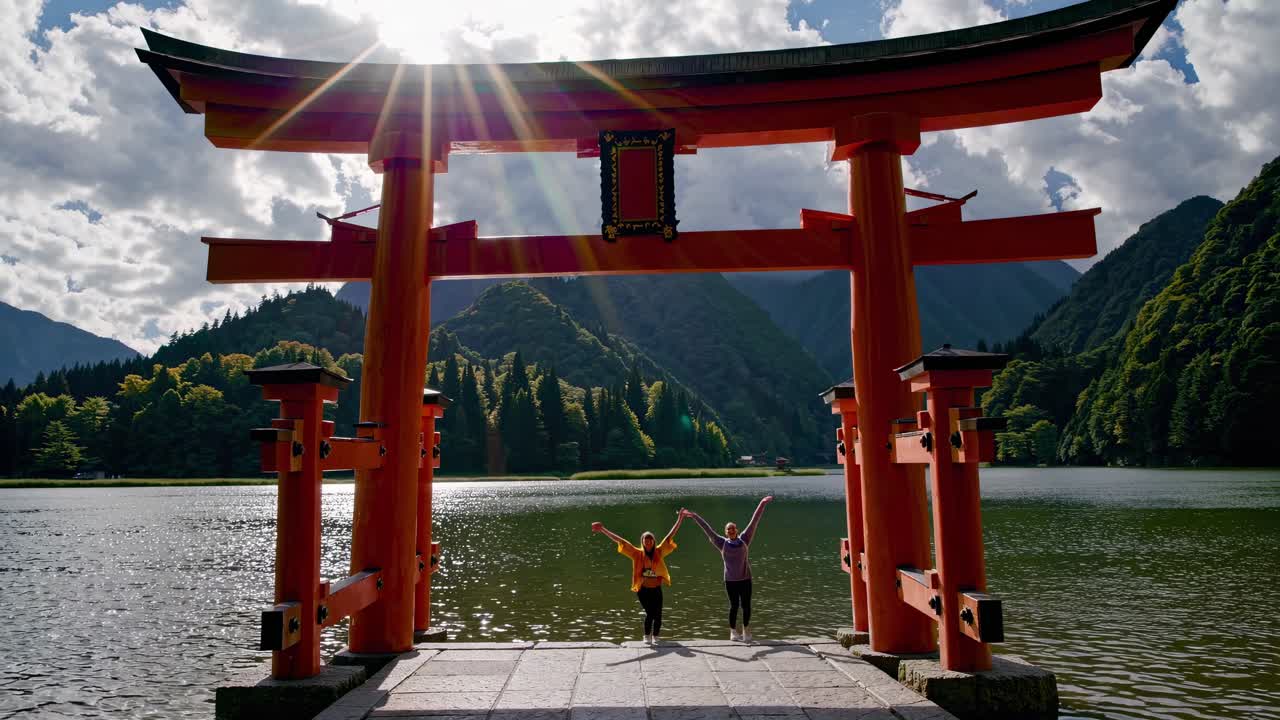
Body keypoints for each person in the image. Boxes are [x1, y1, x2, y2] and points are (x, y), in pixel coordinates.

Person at [683, 495, 774, 642]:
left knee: (746, 606)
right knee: (733, 606)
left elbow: (754, 521)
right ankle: (733, 632)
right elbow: (708, 529)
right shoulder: (721, 543)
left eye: (733, 528)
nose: (731, 530)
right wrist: (694, 516)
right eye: (728, 529)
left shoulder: (745, 539)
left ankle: (746, 630)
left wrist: (762, 503)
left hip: (745, 578)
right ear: (726, 532)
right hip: (730, 580)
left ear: (736, 530)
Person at [591, 509, 686, 644]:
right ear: (642, 542)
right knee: (650, 613)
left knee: (658, 615)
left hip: (657, 589)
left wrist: (680, 519)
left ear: (653, 542)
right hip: (643, 590)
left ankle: (656, 637)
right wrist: (603, 529)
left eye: (650, 541)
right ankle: (646, 636)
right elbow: (621, 541)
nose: (648, 543)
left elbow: (670, 535)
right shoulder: (636, 554)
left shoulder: (659, 552)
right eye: (645, 541)